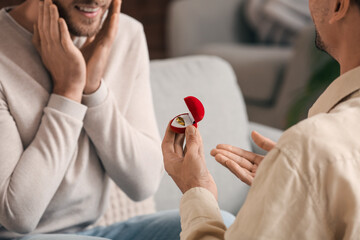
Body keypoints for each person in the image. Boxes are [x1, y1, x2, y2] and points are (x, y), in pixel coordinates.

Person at [162, 0, 360, 238]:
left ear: (339, 5)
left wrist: (196, 190)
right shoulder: (315, 154)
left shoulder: (310, 149)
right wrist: (301, 183)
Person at [0, 0, 181, 239]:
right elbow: (17, 215)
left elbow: (143, 184)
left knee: (218, 226)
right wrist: (69, 90)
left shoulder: (126, 34)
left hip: (95, 233)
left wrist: (93, 92)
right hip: (21, 238)